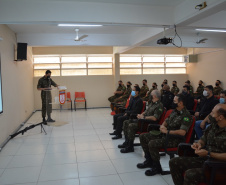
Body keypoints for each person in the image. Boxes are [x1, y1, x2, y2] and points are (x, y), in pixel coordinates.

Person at [169, 103, 226, 185]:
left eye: (213, 113)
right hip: (206, 160)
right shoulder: (212, 127)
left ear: (220, 117)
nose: (210, 115)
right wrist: (198, 144)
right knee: (174, 162)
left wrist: (209, 153)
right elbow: (203, 139)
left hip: (219, 167)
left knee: (190, 174)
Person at [137, 94, 192, 176]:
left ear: (180, 103)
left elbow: (182, 132)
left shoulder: (186, 115)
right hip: (165, 135)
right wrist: (163, 126)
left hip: (174, 139)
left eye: (174, 101)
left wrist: (168, 132)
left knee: (152, 143)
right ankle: (149, 161)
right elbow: (166, 120)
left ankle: (157, 167)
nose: (172, 102)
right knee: (143, 137)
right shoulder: (175, 111)